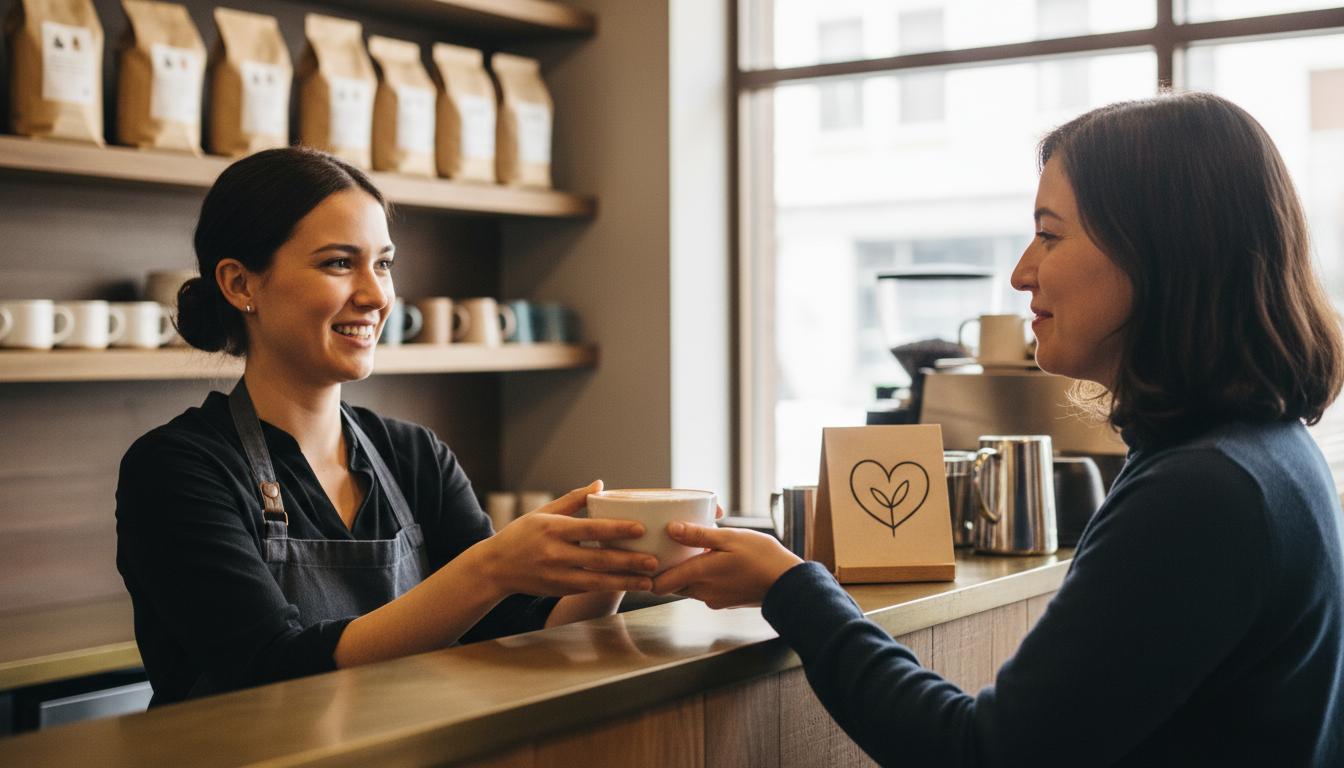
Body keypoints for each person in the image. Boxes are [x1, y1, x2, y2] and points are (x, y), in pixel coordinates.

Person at [652, 92, 1344, 766]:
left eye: (1049, 234)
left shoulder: (1202, 491)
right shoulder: (1264, 455)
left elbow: (981, 753)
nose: (1021, 273)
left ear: (1161, 253)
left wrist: (792, 589)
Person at [116, 147, 661, 706]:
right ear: (240, 285)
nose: (377, 296)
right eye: (338, 263)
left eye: (382, 263)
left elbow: (515, 634)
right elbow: (268, 670)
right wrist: (492, 568)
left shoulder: (412, 454)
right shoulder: (175, 469)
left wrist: (616, 563)